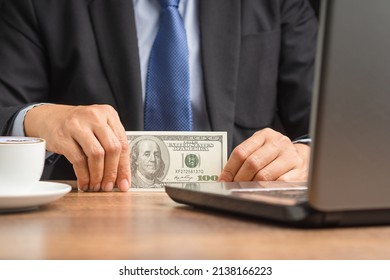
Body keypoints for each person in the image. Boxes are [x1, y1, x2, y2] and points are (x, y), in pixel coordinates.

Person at [0, 0, 317, 191]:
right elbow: (6, 110)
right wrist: (38, 119)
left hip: (243, 223)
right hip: (91, 224)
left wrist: (304, 157)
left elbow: (341, 125)